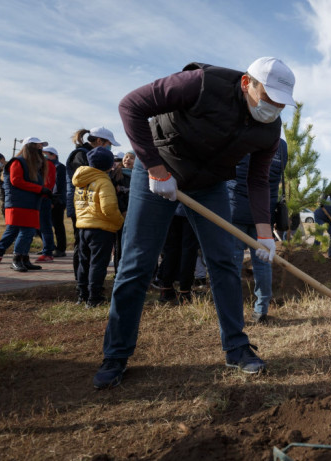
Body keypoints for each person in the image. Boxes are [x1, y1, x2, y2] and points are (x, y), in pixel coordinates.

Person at [92, 57, 296, 390]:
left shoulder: (269, 128)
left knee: (224, 263)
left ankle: (236, 347)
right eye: (268, 98)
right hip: (159, 168)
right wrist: (157, 169)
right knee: (137, 263)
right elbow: (131, 105)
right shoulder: (201, 84)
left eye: (280, 104)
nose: (273, 109)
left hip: (209, 183)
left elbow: (258, 179)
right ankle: (115, 355)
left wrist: (264, 232)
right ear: (248, 83)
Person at [228, 139, 288, 324]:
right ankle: (261, 310)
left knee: (233, 262)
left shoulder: (242, 136)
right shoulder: (281, 146)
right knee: (263, 262)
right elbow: (275, 176)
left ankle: (231, 311)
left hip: (236, 210)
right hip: (263, 214)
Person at [66, 127, 121, 279]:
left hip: (88, 207)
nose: (109, 148)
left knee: (86, 251)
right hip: (85, 207)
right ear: (99, 141)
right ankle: (83, 284)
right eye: (108, 144)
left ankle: (85, 285)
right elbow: (89, 181)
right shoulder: (81, 156)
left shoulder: (84, 154)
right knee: (84, 250)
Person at [0, 138, 53, 271]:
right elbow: (16, 181)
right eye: (39, 145)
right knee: (26, 231)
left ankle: (24, 258)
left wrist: (46, 193)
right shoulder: (17, 162)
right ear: (30, 147)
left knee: (27, 232)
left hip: (29, 203)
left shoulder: (32, 164)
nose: (41, 149)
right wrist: (40, 189)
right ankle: (17, 259)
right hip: (19, 203)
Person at [73, 147, 124, 307]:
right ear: (109, 165)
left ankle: (82, 295)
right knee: (98, 264)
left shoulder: (81, 181)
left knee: (84, 262)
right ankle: (94, 298)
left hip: (83, 227)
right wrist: (119, 222)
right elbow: (108, 209)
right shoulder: (104, 181)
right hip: (101, 229)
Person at [156, 203, 199, 304]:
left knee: (171, 250)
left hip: (171, 207)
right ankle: (185, 292)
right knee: (188, 251)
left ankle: (166, 289)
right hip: (190, 208)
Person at [34, 147, 58, 262]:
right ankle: (47, 250)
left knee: (45, 226)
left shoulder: (47, 165)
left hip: (43, 197)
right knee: (42, 226)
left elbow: (48, 183)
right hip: (41, 197)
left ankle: (48, 251)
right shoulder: (46, 164)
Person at [109, 151, 131, 276]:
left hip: (137, 215)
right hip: (122, 214)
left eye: (132, 158)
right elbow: (114, 196)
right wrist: (123, 210)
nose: (127, 159)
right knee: (120, 244)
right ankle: (119, 273)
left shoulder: (141, 175)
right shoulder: (117, 175)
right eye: (126, 157)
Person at [43, 147, 67, 258]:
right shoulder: (45, 167)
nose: (44, 157)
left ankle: (61, 249)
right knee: (45, 225)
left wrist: (54, 200)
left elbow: (59, 185)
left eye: (46, 154)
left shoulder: (59, 167)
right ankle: (49, 247)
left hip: (57, 200)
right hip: (47, 198)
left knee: (58, 225)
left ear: (54, 155)